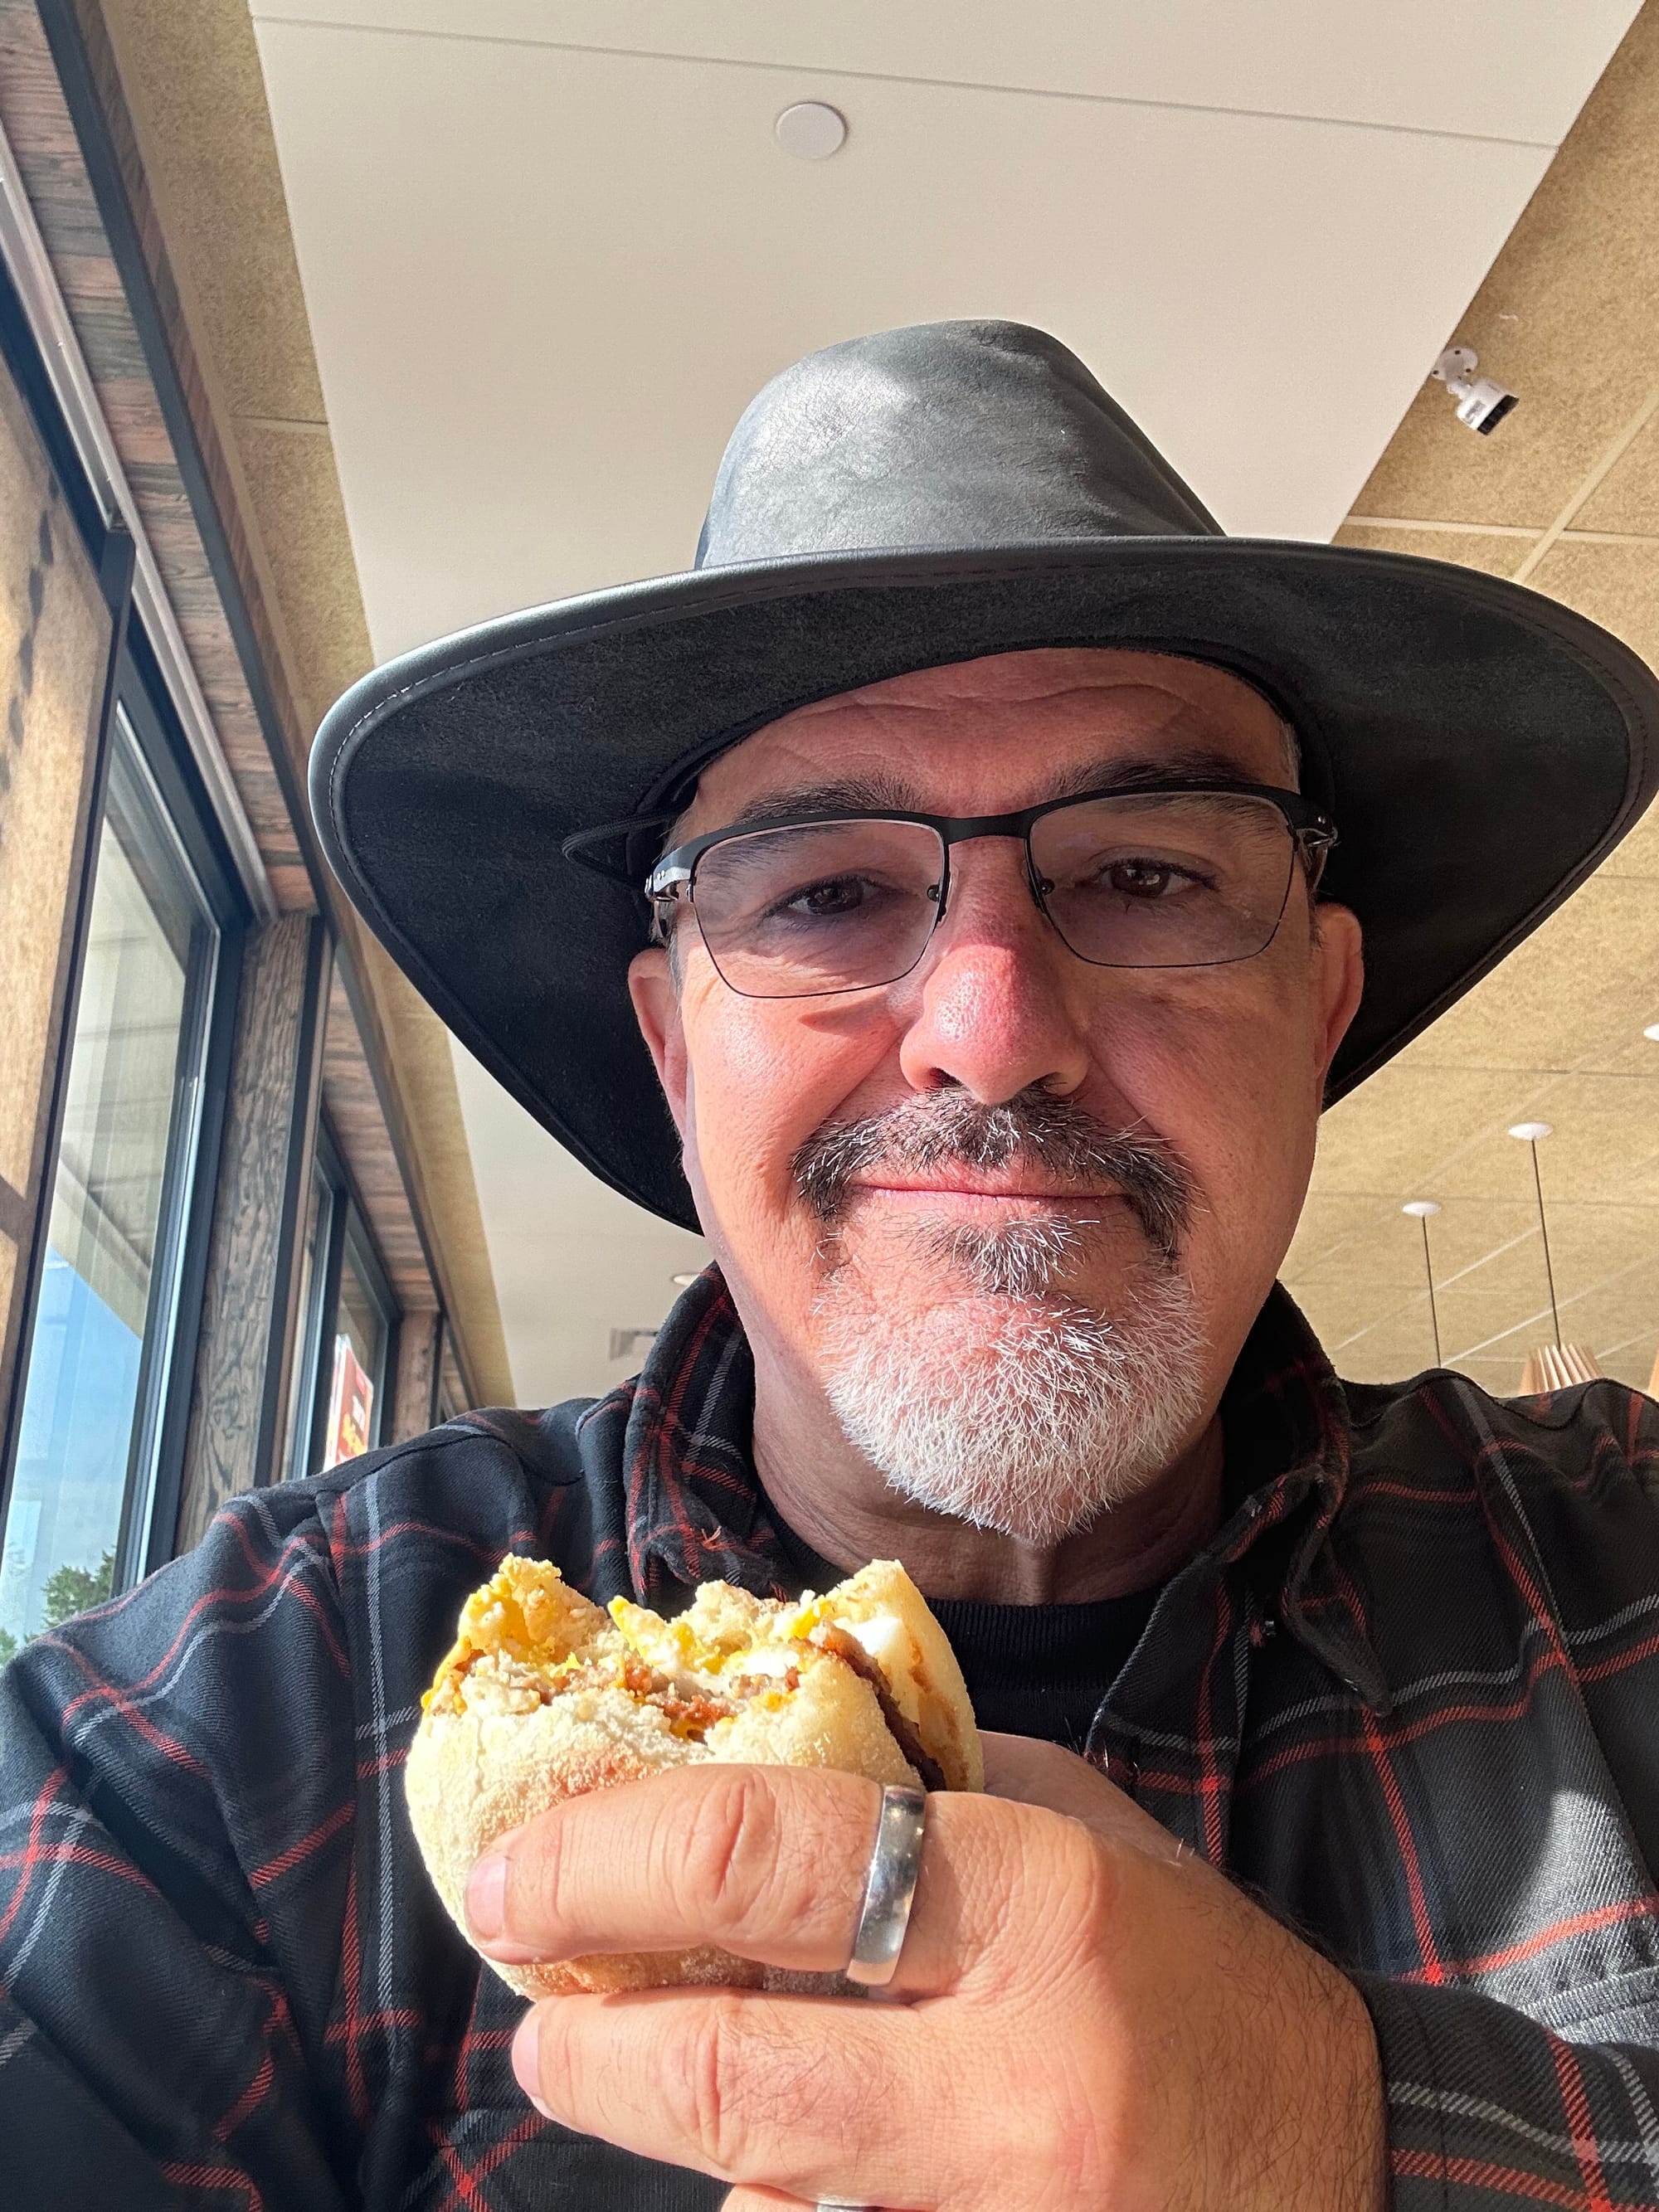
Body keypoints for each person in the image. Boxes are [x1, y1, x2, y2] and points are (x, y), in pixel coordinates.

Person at [3, 321, 1659, 2212]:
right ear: (670, 1050)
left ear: (1324, 1006)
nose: (993, 1032)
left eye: (1145, 874)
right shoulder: (238, 1723)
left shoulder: (1620, 1554)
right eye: (824, 891)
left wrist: (1341, 2133)